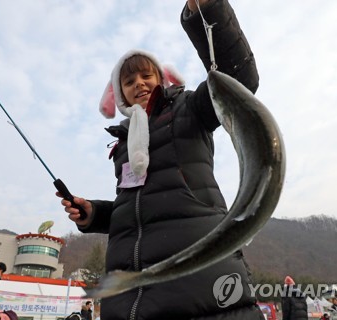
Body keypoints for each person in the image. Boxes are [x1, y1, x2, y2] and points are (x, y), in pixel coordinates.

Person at [58, 0, 261, 318]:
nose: (138, 83)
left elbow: (240, 80)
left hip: (200, 280)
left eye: (145, 75)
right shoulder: (123, 142)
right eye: (128, 81)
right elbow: (139, 211)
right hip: (127, 295)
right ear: (120, 93)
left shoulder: (190, 109)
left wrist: (206, 11)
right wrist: (94, 214)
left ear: (159, 79)